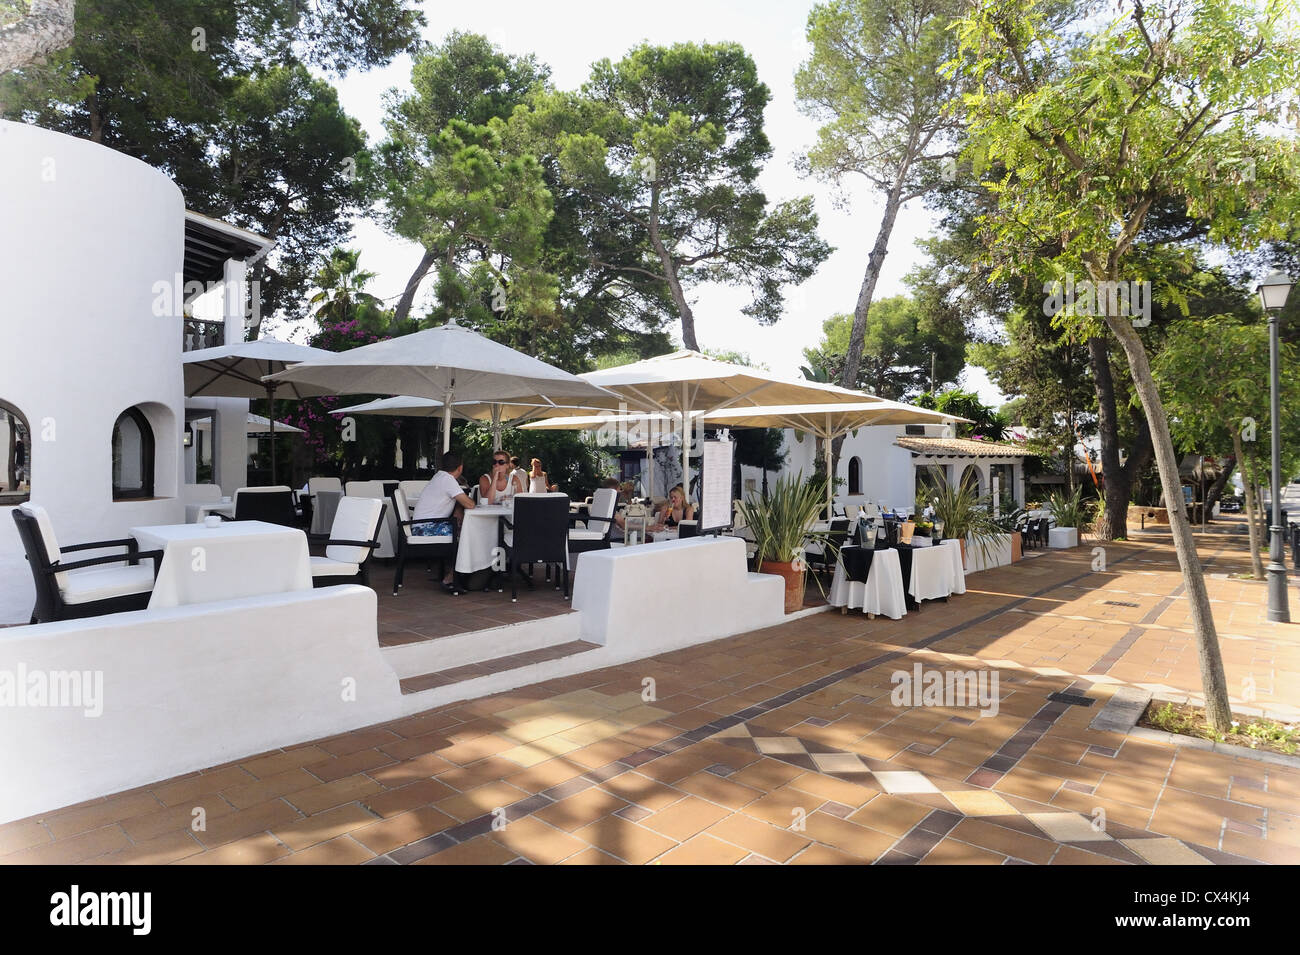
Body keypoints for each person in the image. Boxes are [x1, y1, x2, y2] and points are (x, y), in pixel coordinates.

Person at [413, 451, 475, 590]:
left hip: (420, 526)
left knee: (462, 531)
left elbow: (458, 502)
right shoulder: (448, 480)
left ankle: (456, 573)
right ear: (460, 468)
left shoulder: (440, 476)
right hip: (425, 529)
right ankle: (452, 578)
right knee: (466, 535)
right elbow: (470, 504)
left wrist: (458, 508)